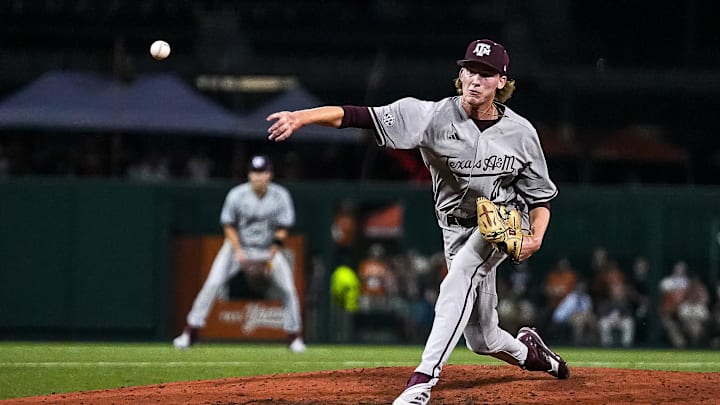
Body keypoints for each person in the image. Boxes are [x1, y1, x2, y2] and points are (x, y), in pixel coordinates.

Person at [266, 38, 568, 405]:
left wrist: (535, 236)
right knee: (482, 338)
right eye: (470, 70)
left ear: (502, 82)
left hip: (500, 223)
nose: (475, 79)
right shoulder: (429, 116)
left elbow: (541, 196)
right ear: (460, 74)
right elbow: (359, 115)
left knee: (457, 279)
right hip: (453, 228)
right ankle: (532, 353)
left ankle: (421, 381)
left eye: (486, 74)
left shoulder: (521, 133)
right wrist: (302, 117)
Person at [173, 154, 306, 353]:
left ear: (269, 175)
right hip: (236, 247)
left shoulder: (280, 195)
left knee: (288, 289)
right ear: (249, 175)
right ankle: (190, 332)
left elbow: (282, 227)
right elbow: (229, 226)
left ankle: (294, 337)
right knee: (212, 284)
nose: (258, 177)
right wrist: (238, 252)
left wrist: (273, 250)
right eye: (254, 173)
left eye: (262, 173)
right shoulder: (237, 194)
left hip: (267, 249)